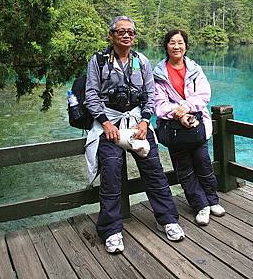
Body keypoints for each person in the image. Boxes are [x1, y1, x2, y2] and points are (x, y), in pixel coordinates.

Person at [84, 16, 185, 254]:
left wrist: (144, 120)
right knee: (111, 173)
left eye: (130, 32)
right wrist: (106, 123)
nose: (127, 35)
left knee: (154, 170)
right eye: (121, 32)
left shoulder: (141, 61)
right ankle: (111, 230)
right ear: (112, 35)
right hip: (110, 125)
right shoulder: (98, 61)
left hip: (137, 122)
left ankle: (168, 220)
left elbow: (150, 93)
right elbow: (91, 95)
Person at [153, 29, 225, 226]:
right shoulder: (158, 74)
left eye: (180, 43)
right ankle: (200, 205)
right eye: (172, 43)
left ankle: (212, 200)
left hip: (195, 124)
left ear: (186, 46)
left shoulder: (195, 69)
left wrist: (186, 108)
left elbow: (203, 95)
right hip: (174, 128)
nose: (176, 46)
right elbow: (158, 104)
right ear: (166, 46)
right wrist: (180, 114)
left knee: (203, 161)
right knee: (184, 168)